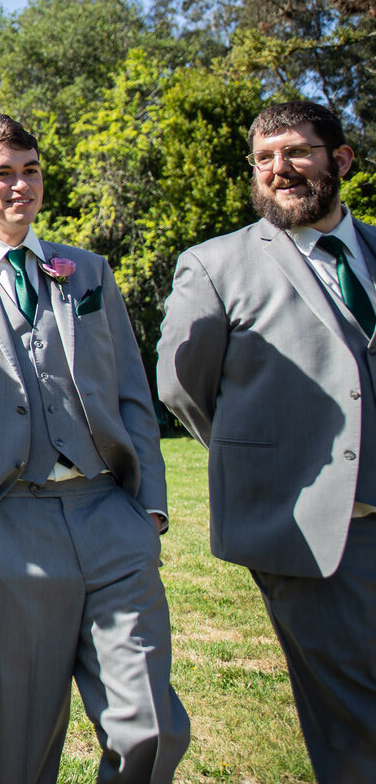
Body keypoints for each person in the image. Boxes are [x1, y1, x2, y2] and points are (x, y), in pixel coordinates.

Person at [0, 113, 189, 783]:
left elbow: (132, 391)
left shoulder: (88, 271)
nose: (20, 185)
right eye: (2, 172)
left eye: (30, 170)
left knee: (150, 725)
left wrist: (149, 509)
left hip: (111, 516)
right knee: (26, 746)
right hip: (10, 528)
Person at [158, 100, 376, 783]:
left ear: (340, 160)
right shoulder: (215, 264)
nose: (279, 169)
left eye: (297, 151)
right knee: (357, 726)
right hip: (316, 531)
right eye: (264, 158)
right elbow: (182, 386)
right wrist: (271, 458)